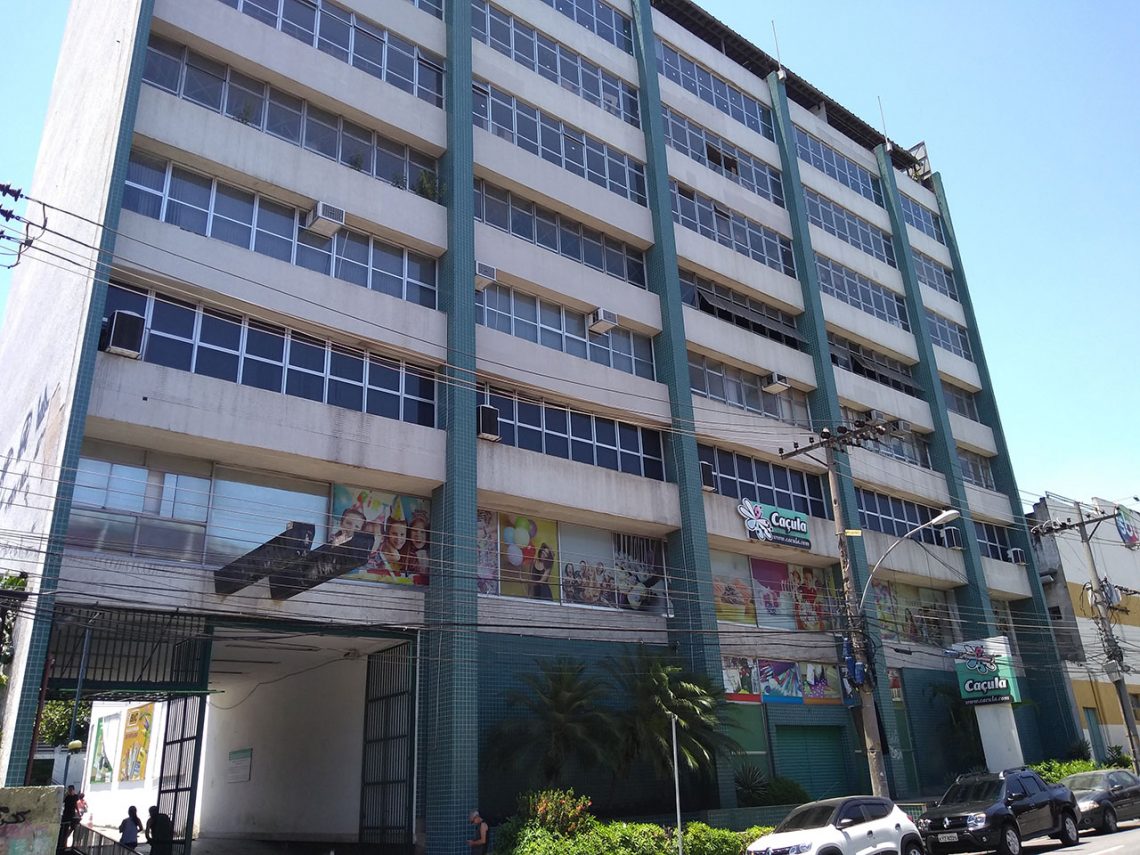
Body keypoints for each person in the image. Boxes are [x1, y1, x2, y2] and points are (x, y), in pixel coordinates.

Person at [58, 785, 81, 851]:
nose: (69, 791)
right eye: (69, 790)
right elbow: (63, 803)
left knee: (73, 828)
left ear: (73, 790)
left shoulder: (75, 797)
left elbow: (76, 805)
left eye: (71, 790)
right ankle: (63, 843)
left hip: (72, 814)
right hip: (66, 814)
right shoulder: (67, 797)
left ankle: (67, 842)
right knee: (64, 829)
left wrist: (78, 813)